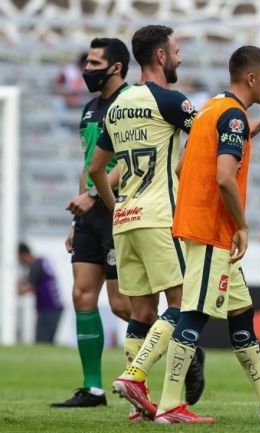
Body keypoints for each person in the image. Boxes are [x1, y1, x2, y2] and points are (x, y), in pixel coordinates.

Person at [151, 45, 260, 424]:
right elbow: (225, 177)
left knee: (241, 311)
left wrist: (259, 126)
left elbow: (182, 165)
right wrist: (241, 224)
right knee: (193, 313)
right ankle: (170, 404)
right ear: (252, 78)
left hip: (200, 225)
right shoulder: (232, 117)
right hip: (213, 229)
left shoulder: (212, 108)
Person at [89, 24, 204, 418]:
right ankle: (135, 375)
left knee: (141, 314)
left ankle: (140, 406)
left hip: (126, 218)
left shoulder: (118, 104)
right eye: (176, 50)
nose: (179, 57)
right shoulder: (170, 100)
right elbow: (208, 141)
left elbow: (95, 167)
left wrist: (116, 204)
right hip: (158, 216)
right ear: (160, 56)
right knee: (181, 303)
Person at [51, 37, 133, 410]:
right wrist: (79, 211)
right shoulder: (89, 108)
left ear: (116, 67)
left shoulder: (132, 104)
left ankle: (174, 347)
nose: (87, 70)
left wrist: (94, 196)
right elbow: (89, 162)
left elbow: (125, 162)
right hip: (91, 214)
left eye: (95, 63)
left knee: (121, 305)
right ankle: (93, 389)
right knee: (82, 295)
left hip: (120, 209)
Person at [17, 243, 63, 344]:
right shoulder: (42, 261)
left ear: (23, 254)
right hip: (55, 306)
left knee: (42, 341)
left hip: (48, 309)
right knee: (47, 340)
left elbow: (29, 288)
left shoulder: (35, 265)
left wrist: (18, 288)